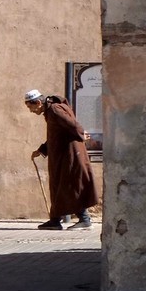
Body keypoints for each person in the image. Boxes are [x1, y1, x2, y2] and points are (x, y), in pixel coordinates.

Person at [24, 88, 98, 230]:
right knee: (59, 186)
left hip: (70, 155)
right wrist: (42, 150)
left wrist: (82, 134)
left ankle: (84, 219)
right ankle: (55, 220)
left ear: (38, 102)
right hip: (62, 156)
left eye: (31, 107)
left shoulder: (55, 110)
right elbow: (56, 135)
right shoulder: (50, 112)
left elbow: (72, 125)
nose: (31, 111)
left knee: (70, 185)